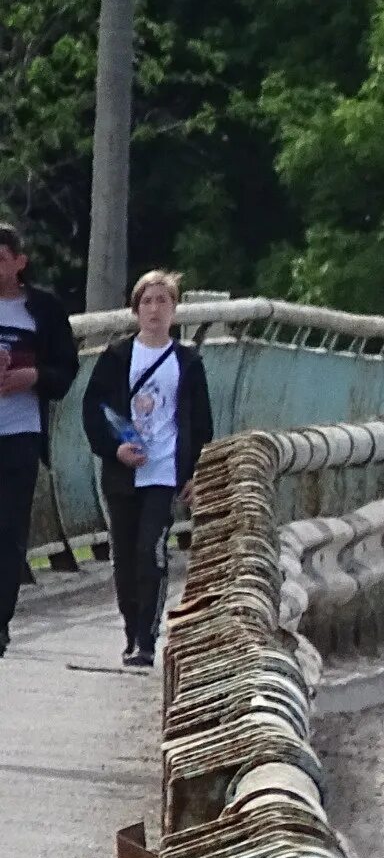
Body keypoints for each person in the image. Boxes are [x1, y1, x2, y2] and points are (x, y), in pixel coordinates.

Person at [83, 270, 212, 667]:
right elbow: (93, 411)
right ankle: (129, 630)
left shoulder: (187, 362)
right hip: (123, 472)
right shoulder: (117, 356)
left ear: (174, 310)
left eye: (163, 301)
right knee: (123, 555)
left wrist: (195, 471)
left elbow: (201, 422)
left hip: (163, 472)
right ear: (136, 309)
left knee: (150, 550)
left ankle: (147, 638)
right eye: (148, 301)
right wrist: (114, 449)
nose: (155, 309)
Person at [0, 222, 82, 660]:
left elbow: (66, 372)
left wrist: (31, 377)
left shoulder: (43, 310)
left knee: (9, 530)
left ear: (19, 263)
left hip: (19, 433)